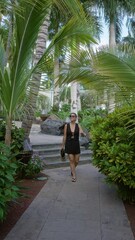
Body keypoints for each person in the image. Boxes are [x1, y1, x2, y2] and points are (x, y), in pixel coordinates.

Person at [61, 112, 86, 182]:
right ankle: (74, 175)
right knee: (71, 160)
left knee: (77, 161)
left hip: (76, 144)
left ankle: (72, 169)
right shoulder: (66, 126)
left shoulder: (78, 125)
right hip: (69, 144)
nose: (71, 117)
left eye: (73, 116)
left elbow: (81, 132)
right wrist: (62, 145)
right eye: (70, 116)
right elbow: (65, 136)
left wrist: (83, 133)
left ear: (75, 118)